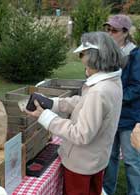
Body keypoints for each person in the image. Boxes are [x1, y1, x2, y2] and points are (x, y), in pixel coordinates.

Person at [25, 31, 123, 195]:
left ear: (94, 58)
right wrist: (53, 104)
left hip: (81, 164)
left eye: (82, 56)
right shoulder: (110, 82)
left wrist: (46, 117)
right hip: (95, 159)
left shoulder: (98, 91)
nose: (82, 63)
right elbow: (84, 103)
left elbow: (81, 134)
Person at [102, 14, 140, 195]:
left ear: (125, 33)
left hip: (128, 116)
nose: (109, 33)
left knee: (131, 160)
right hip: (111, 115)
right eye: (107, 29)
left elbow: (137, 86)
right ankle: (108, 191)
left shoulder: (135, 54)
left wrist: (116, 97)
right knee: (110, 157)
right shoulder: (107, 54)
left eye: (114, 30)